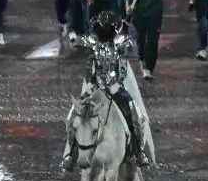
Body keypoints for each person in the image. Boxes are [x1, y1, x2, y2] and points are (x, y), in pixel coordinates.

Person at [62, 11, 154, 171]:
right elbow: (88, 66)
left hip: (115, 87)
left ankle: (138, 150)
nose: (104, 30)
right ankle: (70, 152)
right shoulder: (92, 43)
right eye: (102, 27)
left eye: (107, 27)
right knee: (72, 117)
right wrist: (90, 82)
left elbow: (123, 68)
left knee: (135, 114)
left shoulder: (120, 44)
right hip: (95, 87)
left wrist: (116, 83)